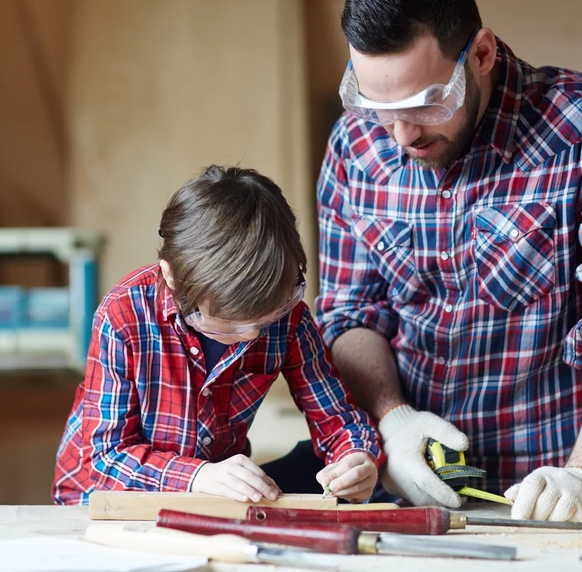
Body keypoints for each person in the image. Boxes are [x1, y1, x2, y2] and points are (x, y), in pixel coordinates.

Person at [314, 0, 582, 522]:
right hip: (406, 490)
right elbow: (349, 311)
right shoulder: (355, 147)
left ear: (481, 54)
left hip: (547, 496)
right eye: (380, 107)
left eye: (425, 103)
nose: (402, 134)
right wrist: (391, 420)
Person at [53, 164, 383, 505]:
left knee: (309, 468)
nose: (252, 334)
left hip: (210, 497)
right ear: (173, 278)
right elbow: (105, 459)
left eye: (266, 319)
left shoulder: (287, 316)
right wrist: (199, 475)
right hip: (101, 498)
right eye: (232, 324)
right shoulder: (123, 316)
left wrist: (356, 457)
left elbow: (337, 418)